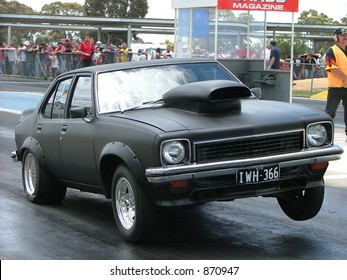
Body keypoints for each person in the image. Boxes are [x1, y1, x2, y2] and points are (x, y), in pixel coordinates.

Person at [325, 27, 347, 141]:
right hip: (336, 87)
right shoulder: (331, 51)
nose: (345, 37)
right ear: (336, 37)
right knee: (330, 112)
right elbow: (332, 68)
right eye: (342, 35)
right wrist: (345, 78)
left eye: (346, 35)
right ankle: (325, 136)